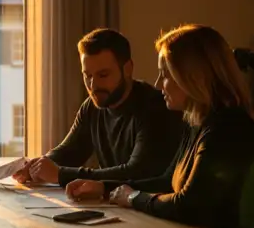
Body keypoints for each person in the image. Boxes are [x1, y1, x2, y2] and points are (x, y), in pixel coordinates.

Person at [65, 24, 254, 228]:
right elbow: (167, 180)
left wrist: (132, 197)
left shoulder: (228, 128)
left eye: (166, 75)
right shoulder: (197, 121)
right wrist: (106, 188)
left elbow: (188, 205)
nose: (157, 84)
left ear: (194, 77)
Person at [12, 28, 184, 188]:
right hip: (119, 207)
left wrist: (61, 174)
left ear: (127, 69)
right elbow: (70, 151)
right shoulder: (93, 106)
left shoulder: (155, 108)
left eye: (103, 75)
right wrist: (37, 166)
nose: (93, 85)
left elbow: (137, 173)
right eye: (87, 76)